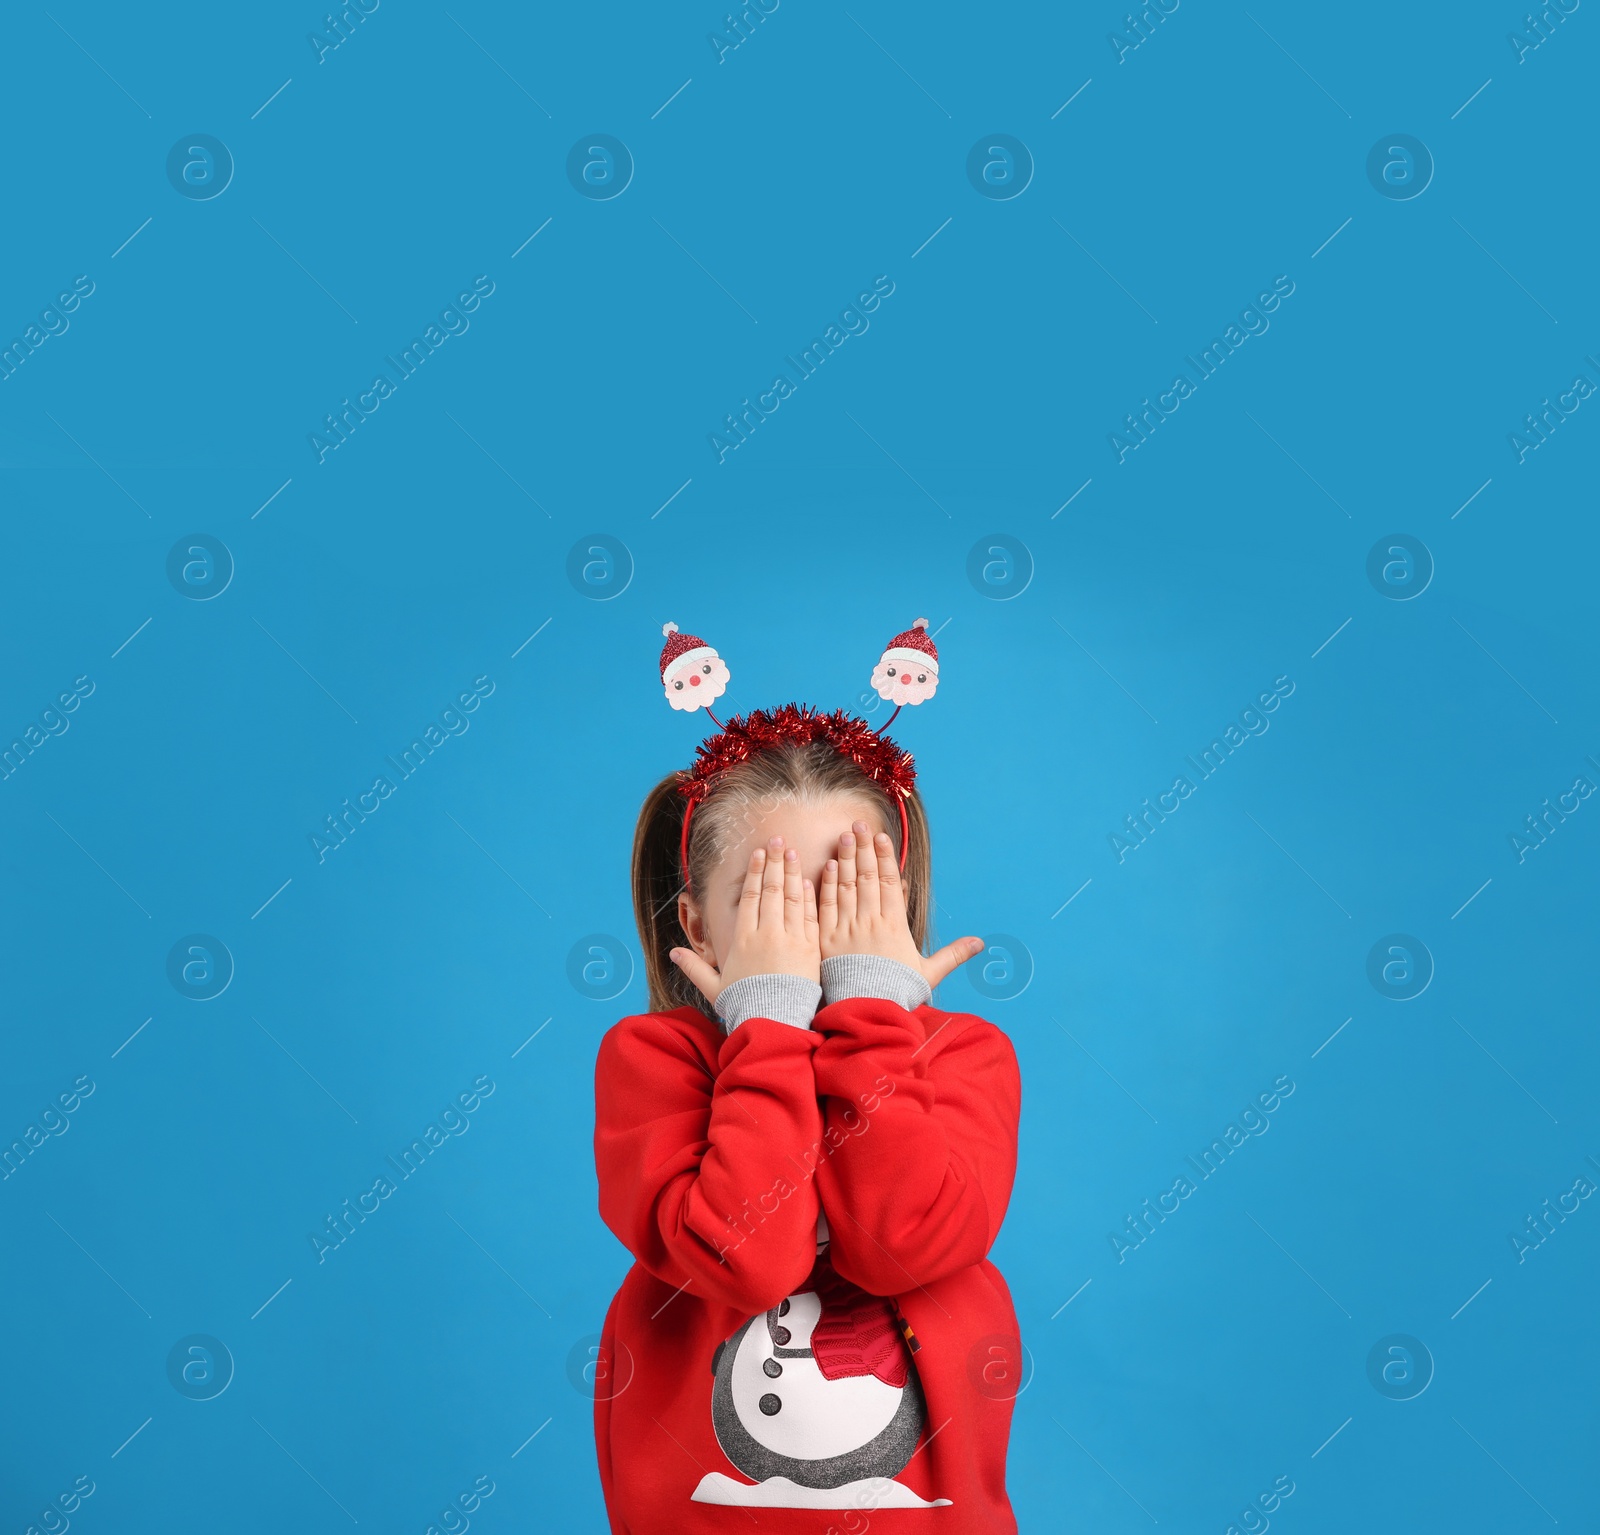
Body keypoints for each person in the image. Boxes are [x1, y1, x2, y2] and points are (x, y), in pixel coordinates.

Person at [591, 623, 1022, 1533]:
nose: (813, 935)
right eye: (771, 903)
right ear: (698, 927)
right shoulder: (653, 1059)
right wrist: (769, 1026)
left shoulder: (964, 1053)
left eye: (845, 892)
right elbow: (748, 1264)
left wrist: (873, 1020)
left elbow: (902, 1246)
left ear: (894, 903)